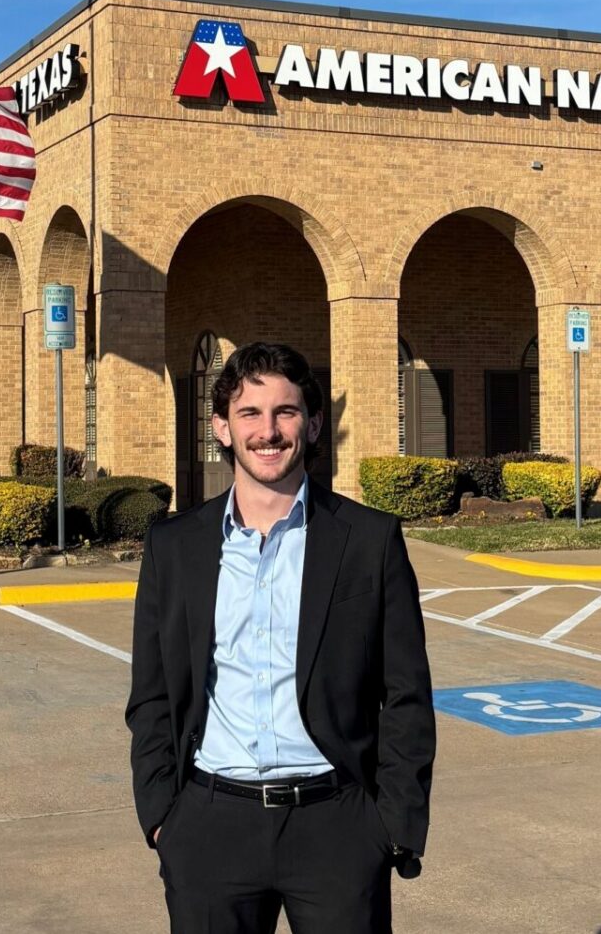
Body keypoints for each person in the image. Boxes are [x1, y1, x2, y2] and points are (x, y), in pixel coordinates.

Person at [126, 340, 435, 934]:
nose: (268, 432)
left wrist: (391, 824)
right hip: (210, 825)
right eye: (249, 413)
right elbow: (153, 693)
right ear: (221, 427)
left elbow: (407, 696)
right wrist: (163, 815)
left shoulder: (368, 542)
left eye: (285, 412)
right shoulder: (175, 546)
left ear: (313, 423)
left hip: (338, 824)